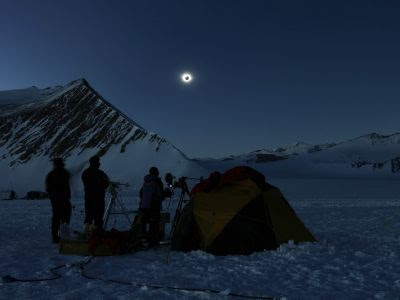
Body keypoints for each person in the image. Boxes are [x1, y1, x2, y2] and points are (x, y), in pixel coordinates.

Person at [45, 158, 72, 243]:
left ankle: (55, 237)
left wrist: (52, 196)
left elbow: (48, 188)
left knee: (56, 218)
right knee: (65, 217)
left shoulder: (50, 175)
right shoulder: (64, 173)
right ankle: (63, 235)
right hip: (64, 199)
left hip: (55, 200)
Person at [82, 155, 110, 232]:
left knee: (89, 216)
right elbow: (106, 183)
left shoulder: (85, 173)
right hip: (99, 199)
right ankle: (96, 233)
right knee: (98, 217)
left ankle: (87, 232)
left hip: (88, 198)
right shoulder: (100, 173)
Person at [138, 167, 165, 246]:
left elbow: (141, 193)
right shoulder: (157, 182)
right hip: (153, 206)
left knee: (144, 222)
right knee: (154, 223)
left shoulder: (146, 181)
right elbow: (160, 194)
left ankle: (143, 239)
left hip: (143, 206)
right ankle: (152, 240)